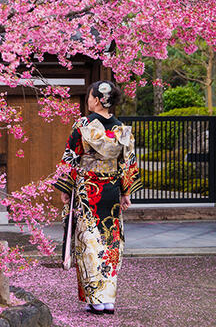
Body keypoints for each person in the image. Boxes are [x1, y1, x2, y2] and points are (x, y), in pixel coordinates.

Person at [55, 80, 142, 315]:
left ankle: (96, 299)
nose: (89, 100)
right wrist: (126, 192)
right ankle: (108, 299)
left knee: (89, 241)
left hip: (88, 189)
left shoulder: (83, 125)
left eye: (90, 96)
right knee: (111, 241)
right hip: (112, 188)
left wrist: (65, 187)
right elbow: (128, 162)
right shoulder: (121, 129)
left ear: (96, 99)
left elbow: (72, 155)